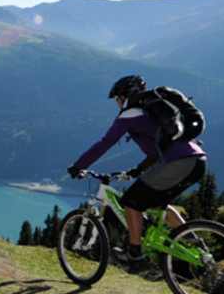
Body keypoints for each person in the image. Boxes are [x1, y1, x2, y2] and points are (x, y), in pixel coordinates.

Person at [67, 75, 207, 264]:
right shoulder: (154, 113)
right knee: (159, 206)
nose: (117, 104)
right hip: (197, 161)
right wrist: (136, 170)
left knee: (131, 202)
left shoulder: (130, 114)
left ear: (123, 96)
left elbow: (105, 143)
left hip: (178, 163)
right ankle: (197, 247)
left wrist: (79, 166)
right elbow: (157, 152)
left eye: (117, 99)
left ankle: (134, 254)